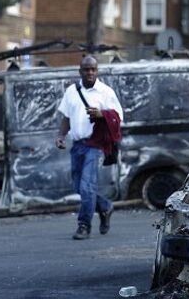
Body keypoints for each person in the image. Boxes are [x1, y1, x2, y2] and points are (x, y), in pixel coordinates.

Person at [56, 56, 123, 240]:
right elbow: (66, 118)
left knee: (87, 186)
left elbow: (118, 117)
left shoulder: (105, 92)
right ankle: (105, 206)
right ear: (80, 71)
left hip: (95, 145)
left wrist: (102, 114)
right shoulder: (72, 91)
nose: (90, 73)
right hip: (77, 146)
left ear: (97, 70)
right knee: (79, 187)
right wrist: (61, 136)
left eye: (93, 69)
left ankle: (84, 226)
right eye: (86, 69)